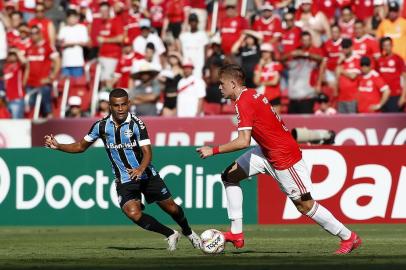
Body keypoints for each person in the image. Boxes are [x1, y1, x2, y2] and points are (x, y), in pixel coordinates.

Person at [196, 64, 361, 254]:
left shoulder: (244, 101)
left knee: (305, 205)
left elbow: (243, 141)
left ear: (232, 83)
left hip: (284, 158)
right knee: (229, 176)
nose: (219, 87)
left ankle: (348, 237)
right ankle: (236, 234)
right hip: (265, 152)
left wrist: (213, 150)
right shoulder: (250, 95)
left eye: (221, 83)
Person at [44, 88, 201, 251]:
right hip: (124, 179)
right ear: (110, 106)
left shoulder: (137, 124)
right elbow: (80, 146)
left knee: (172, 208)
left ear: (129, 104)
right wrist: (59, 145)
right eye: (116, 105)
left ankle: (189, 232)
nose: (120, 109)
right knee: (132, 213)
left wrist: (140, 169)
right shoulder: (101, 126)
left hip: (146, 175)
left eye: (124, 105)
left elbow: (148, 152)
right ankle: (170, 234)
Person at [24, 26, 61, 118]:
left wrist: (51, 77)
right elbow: (27, 66)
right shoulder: (29, 47)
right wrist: (24, 82)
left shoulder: (48, 46)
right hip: (30, 83)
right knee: (29, 108)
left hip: (43, 83)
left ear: (40, 33)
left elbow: (57, 62)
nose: (33, 35)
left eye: (36, 33)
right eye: (31, 33)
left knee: (47, 107)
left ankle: (50, 126)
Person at [377, 36, 406, 112]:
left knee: (394, 121)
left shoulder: (398, 59)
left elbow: (404, 78)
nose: (386, 47)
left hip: (395, 95)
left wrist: (403, 97)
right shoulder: (379, 60)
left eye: (388, 45)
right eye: (384, 45)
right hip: (382, 96)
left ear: (392, 45)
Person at [58, 9, 89, 78]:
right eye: (70, 18)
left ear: (77, 18)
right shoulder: (64, 29)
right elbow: (60, 43)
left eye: (73, 17)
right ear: (67, 18)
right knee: (65, 84)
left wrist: (73, 43)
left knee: (77, 84)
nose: (72, 19)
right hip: (66, 63)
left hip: (78, 62)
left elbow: (86, 43)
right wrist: (67, 44)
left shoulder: (82, 28)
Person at [254, 43, 283, 114]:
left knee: (275, 120)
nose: (264, 54)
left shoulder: (277, 65)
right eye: (263, 52)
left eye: (266, 51)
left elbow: (274, 82)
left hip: (274, 96)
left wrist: (262, 83)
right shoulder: (258, 66)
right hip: (262, 98)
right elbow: (256, 81)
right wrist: (260, 66)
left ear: (271, 53)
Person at [179, 13, 208, 78]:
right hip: (187, 65)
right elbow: (180, 51)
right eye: (191, 21)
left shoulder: (203, 35)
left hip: (199, 65)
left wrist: (205, 65)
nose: (193, 23)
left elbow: (205, 51)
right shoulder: (183, 36)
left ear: (197, 22)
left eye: (194, 21)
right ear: (189, 23)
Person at [336, 38, 361, 114]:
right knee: (341, 122)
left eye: (346, 47)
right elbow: (337, 77)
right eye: (343, 47)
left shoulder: (357, 59)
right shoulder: (341, 61)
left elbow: (353, 76)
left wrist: (342, 71)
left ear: (351, 47)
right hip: (341, 97)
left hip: (352, 98)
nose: (344, 50)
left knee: (353, 121)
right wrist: (339, 63)